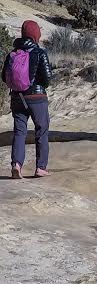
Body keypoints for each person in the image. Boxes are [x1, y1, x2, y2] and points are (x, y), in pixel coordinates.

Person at [1, 20, 52, 179]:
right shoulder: (40, 52)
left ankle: (16, 165)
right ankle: (41, 168)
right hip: (37, 98)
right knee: (41, 131)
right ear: (35, 34)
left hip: (17, 98)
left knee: (19, 132)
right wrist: (38, 85)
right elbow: (47, 78)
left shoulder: (12, 54)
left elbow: (4, 77)